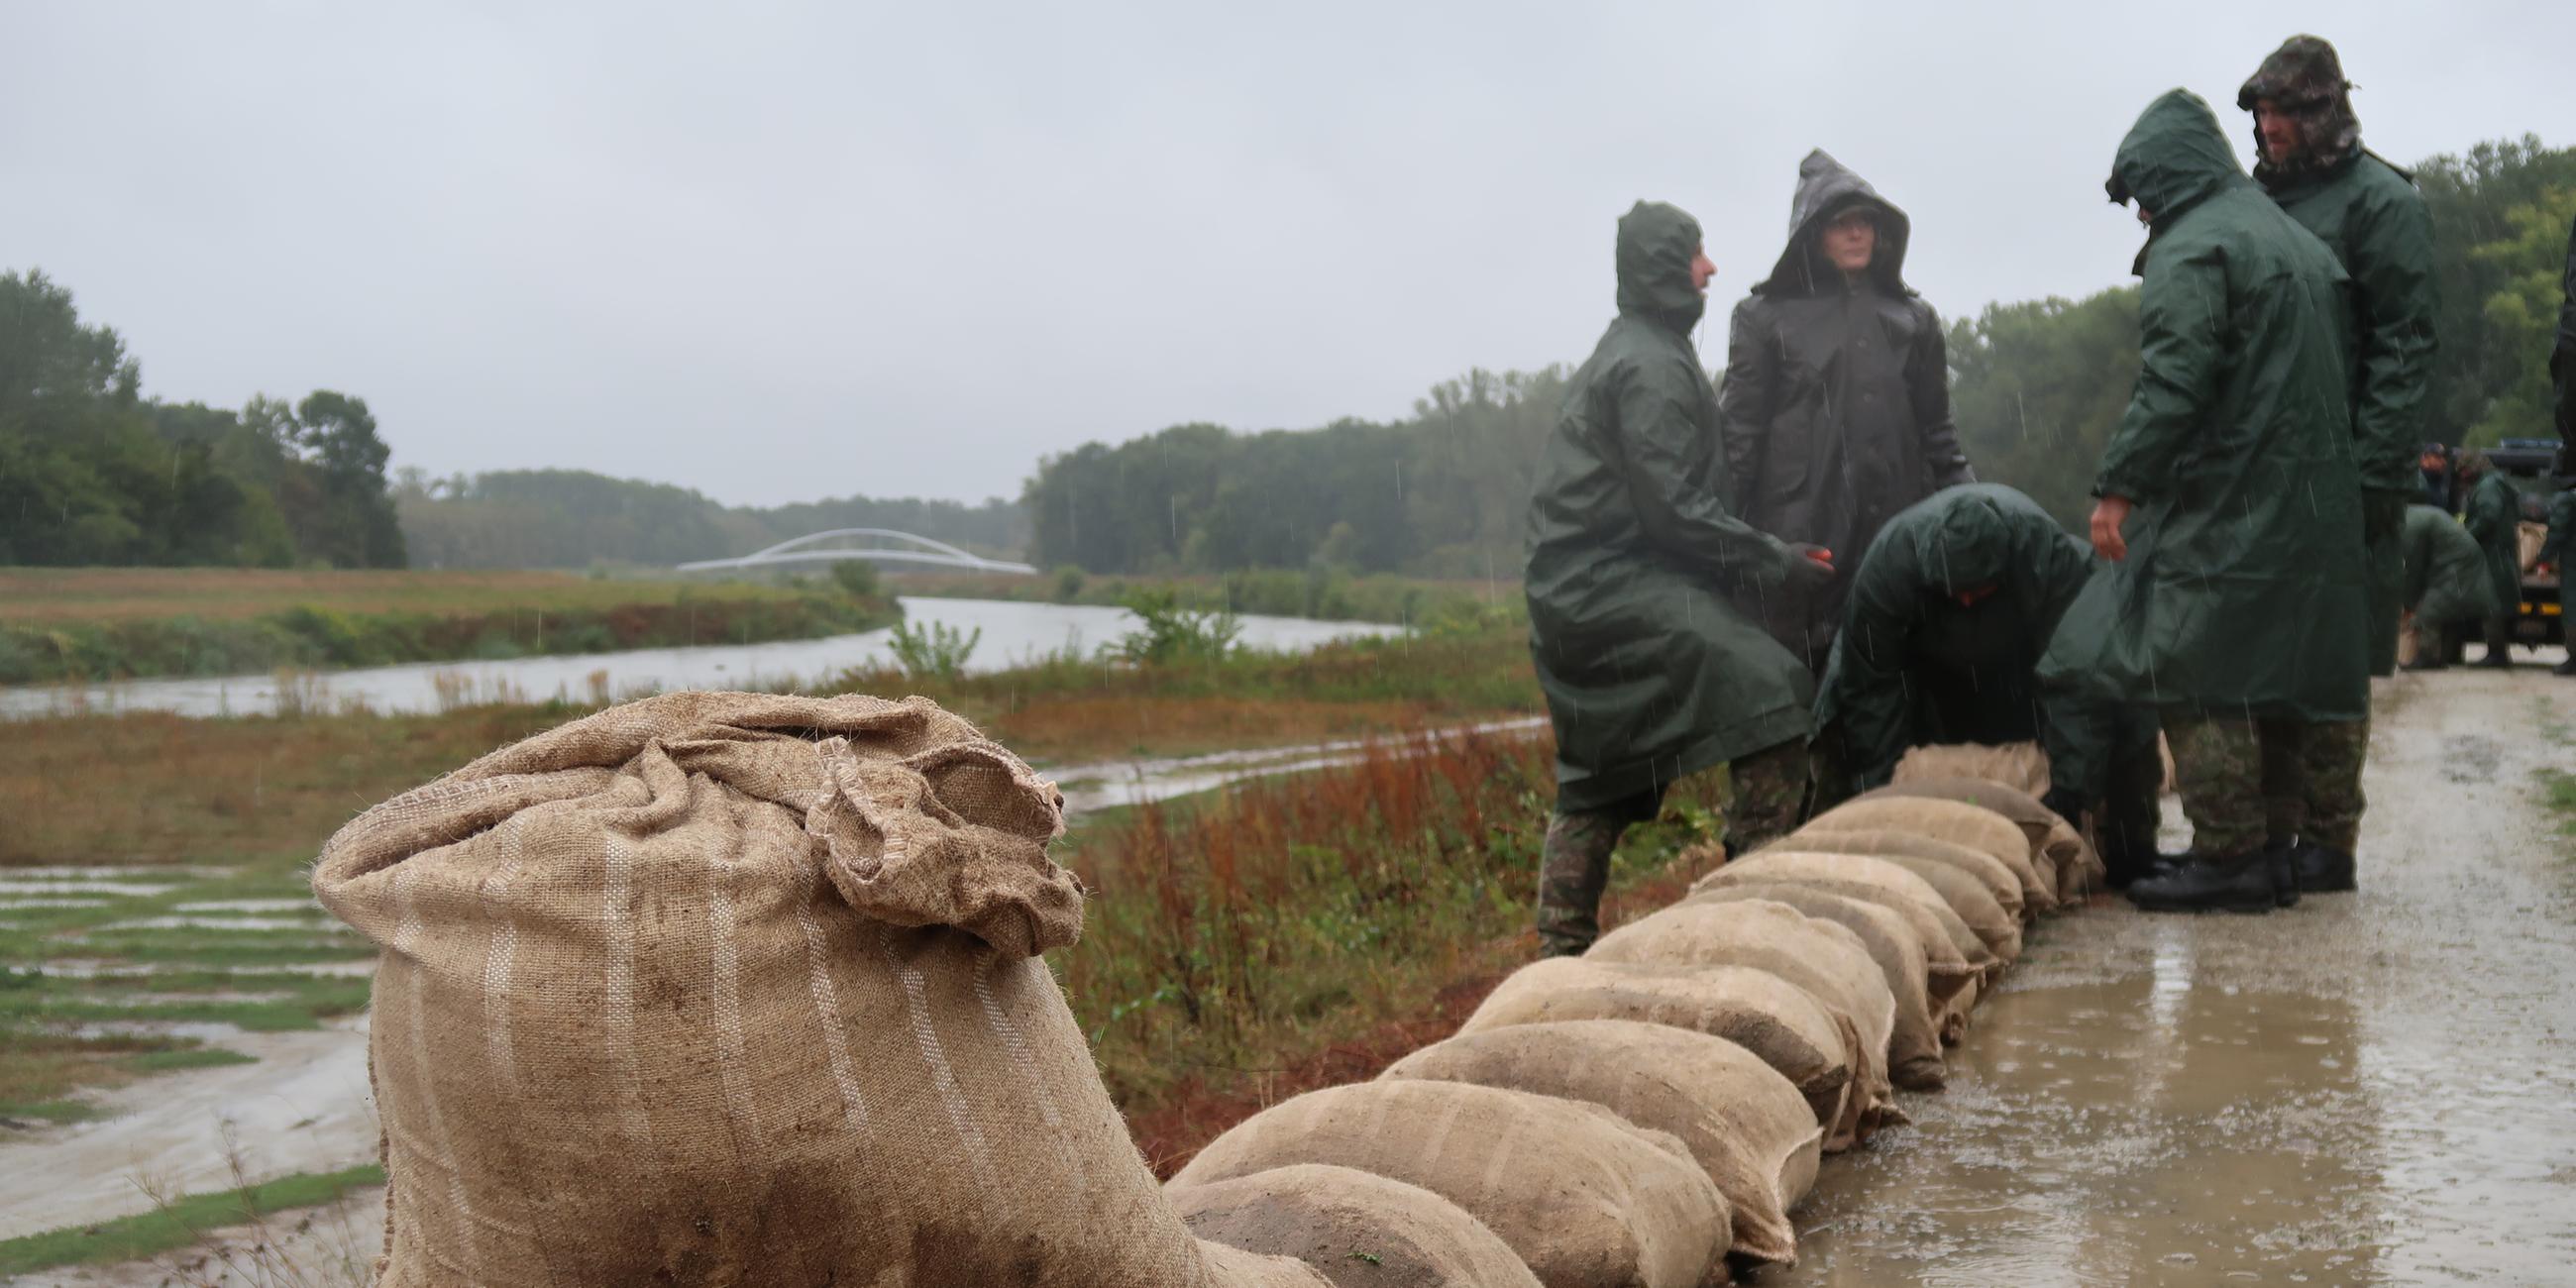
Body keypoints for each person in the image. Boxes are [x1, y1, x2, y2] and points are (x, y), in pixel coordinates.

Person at [2037, 89, 2368, 914]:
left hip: (2234, 490)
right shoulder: (2296, 241)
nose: (2142, 209)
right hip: (2313, 494)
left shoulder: (2195, 247)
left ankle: (2228, 856)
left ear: (2167, 178)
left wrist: (2118, 488)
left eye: (2143, 191)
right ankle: (2276, 851)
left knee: (2195, 664)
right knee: (2278, 671)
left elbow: (2175, 381)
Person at [1524, 199, 1833, 957]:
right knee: (1775, 695)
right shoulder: (1650, 366)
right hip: (1608, 586)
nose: (1711, 267)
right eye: (1698, 253)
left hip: (1583, 590)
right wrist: (1773, 561)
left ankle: (1557, 954)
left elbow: (1677, 502)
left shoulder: (1643, 349)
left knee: (1602, 771)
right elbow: (1673, 511)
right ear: (1667, 265)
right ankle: (1752, 908)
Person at [2239, 35, 2438, 893]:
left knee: (2329, 658)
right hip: (2259, 473)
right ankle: (2274, 830)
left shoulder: (2381, 202)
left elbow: (2403, 346)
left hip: (2348, 465)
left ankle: (2329, 840)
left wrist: (2367, 474)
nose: (2270, 127)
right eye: (2260, 112)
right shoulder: (2251, 203)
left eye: (2285, 110)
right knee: (2259, 653)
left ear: (2325, 110)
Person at [1812, 483, 2165, 886]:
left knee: (2127, 702)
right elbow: (1873, 692)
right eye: (1954, 591)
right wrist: (1880, 797)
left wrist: (2067, 797)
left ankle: (2131, 856)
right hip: (1930, 683)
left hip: (2026, 674)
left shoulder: (2048, 561)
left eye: (1977, 591)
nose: (1965, 601)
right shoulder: (1888, 569)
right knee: (1839, 724)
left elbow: (2077, 684)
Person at [1717, 150, 1975, 676]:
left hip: (1896, 536)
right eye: (1841, 223)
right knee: (1796, 700)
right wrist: (1726, 544)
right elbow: (1739, 439)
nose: (1858, 233)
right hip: (1800, 542)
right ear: (1814, 233)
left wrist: (1975, 520)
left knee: (1895, 691)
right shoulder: (1763, 319)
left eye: (1866, 222)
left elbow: (1939, 436)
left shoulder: (1913, 318)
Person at [2396, 503, 2504, 671]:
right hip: (2458, 559)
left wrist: (2410, 602)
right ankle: (2444, 656)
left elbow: (2414, 568)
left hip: (2456, 564)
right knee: (2447, 610)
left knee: (2430, 609)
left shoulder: (2410, 526)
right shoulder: (2413, 515)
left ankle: (2427, 657)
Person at [2460, 450, 2523, 669]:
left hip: (2491, 554)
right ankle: (2498, 652)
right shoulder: (2497, 483)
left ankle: (2496, 653)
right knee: (2496, 602)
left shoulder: (2487, 487)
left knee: (2491, 603)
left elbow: (2488, 515)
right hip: (2499, 553)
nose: (2462, 475)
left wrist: (2465, 536)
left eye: (2464, 470)